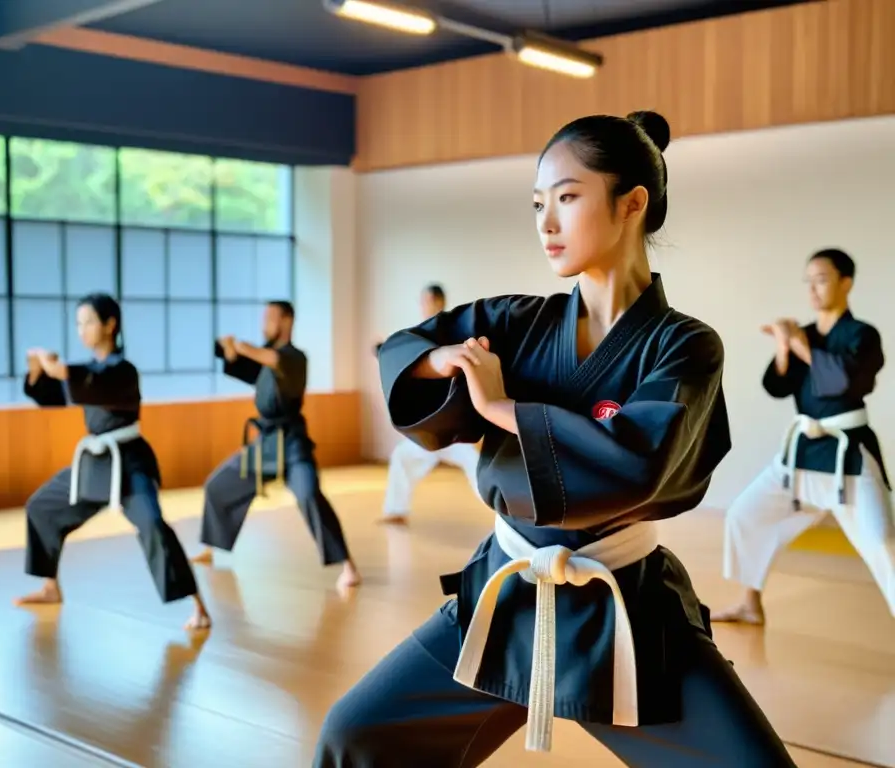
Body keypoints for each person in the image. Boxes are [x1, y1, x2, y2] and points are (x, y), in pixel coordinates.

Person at [314, 111, 797, 767]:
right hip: (505, 597)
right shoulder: (518, 322)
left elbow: (638, 461)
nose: (545, 223)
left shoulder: (684, 345)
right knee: (355, 735)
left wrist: (503, 405)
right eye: (538, 203)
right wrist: (444, 360)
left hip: (623, 610)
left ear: (632, 204)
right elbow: (409, 346)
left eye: (567, 198)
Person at [712, 249, 894, 625]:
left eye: (822, 279)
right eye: (808, 280)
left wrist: (797, 344)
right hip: (803, 451)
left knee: (882, 542)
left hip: (848, 453)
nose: (812, 288)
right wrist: (784, 346)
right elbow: (780, 385)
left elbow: (843, 381)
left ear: (847, 282)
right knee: (747, 515)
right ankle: (750, 602)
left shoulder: (863, 335)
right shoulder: (804, 334)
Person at [14, 292, 210, 631]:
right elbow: (54, 395)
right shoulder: (88, 372)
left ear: (110, 325)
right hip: (96, 462)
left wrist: (59, 369)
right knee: (42, 507)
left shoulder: (122, 371)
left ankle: (199, 607)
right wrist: (37, 375)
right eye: (78, 323)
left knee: (152, 524)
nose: (82, 330)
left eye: (89, 322)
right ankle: (50, 586)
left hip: (130, 460)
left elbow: (90, 384)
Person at [192, 300, 361, 592]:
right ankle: (211, 547)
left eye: (269, 318)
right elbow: (243, 364)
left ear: (286, 321)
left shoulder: (295, 358)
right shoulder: (264, 362)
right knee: (217, 485)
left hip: (293, 443)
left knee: (309, 494)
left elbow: (269, 358)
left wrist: (240, 346)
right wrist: (229, 352)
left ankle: (348, 565)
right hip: (265, 442)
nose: (264, 324)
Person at [376, 284, 482, 525]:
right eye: (421, 302)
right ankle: (395, 511)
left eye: (427, 301)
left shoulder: (455, 330)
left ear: (439, 302)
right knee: (402, 457)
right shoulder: (419, 335)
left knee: (476, 466)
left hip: (453, 427)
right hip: (429, 427)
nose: (423, 306)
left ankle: (505, 515)